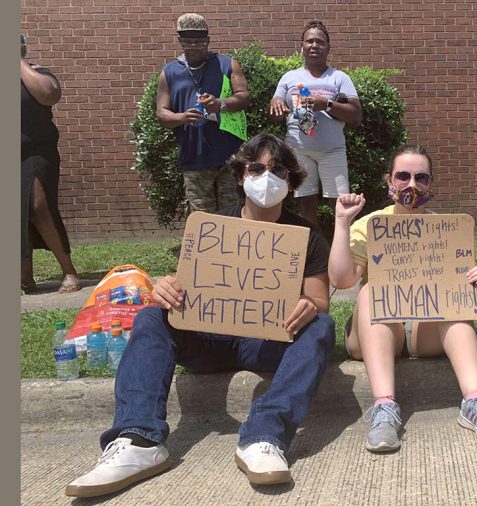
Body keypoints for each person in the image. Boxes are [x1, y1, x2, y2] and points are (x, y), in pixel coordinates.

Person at [65, 134, 336, 497]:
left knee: (321, 325)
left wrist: (308, 305)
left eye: (278, 169)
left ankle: (264, 436)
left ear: (290, 181)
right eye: (256, 167)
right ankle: (138, 440)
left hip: (267, 341)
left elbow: (320, 300)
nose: (266, 176)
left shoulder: (306, 234)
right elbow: (185, 285)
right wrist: (166, 288)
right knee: (150, 317)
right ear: (241, 176)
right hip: (207, 338)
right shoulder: (210, 227)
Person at [329, 145, 477, 452]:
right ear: (389, 181)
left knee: (454, 292)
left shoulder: (443, 229)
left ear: (430, 184)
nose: (411, 185)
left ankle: (476, 401)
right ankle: (385, 408)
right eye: (403, 176)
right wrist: (341, 223)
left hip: (425, 332)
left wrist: (470, 279)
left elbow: (460, 277)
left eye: (420, 177)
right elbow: (341, 279)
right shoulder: (371, 225)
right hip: (378, 330)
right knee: (371, 291)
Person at [269, 19, 363, 225]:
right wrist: (276, 102)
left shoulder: (339, 78)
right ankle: (312, 250)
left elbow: (356, 115)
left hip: (333, 150)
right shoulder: (289, 78)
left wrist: (326, 104)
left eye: (320, 42)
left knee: (339, 204)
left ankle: (345, 250)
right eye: (309, 41)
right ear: (301, 45)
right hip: (298, 150)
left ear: (328, 47)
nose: (314, 45)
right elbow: (276, 113)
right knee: (305, 204)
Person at [156, 13, 250, 214]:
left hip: (230, 156)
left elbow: (244, 97)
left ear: (208, 40)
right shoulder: (169, 72)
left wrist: (221, 104)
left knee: (233, 215)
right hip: (194, 158)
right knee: (201, 222)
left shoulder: (226, 64)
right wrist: (182, 117)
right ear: (180, 41)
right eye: (188, 41)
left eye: (199, 41)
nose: (194, 46)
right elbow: (162, 114)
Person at [20, 33, 81, 294]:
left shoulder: (37, 72)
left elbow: (49, 95)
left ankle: (68, 270)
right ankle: (25, 276)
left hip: (36, 151)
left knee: (38, 205)